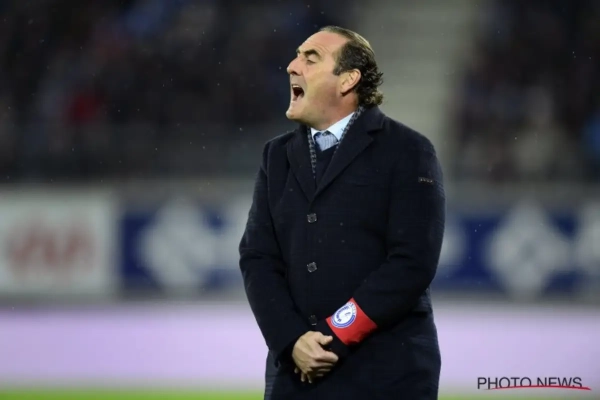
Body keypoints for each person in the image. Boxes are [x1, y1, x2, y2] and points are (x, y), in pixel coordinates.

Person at [239, 25, 445, 400]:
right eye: (296, 56)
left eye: (311, 58)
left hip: (387, 375)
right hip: (297, 376)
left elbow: (411, 263)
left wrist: (333, 335)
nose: (291, 66)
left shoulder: (408, 150)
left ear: (348, 80)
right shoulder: (276, 156)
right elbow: (257, 257)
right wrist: (292, 339)